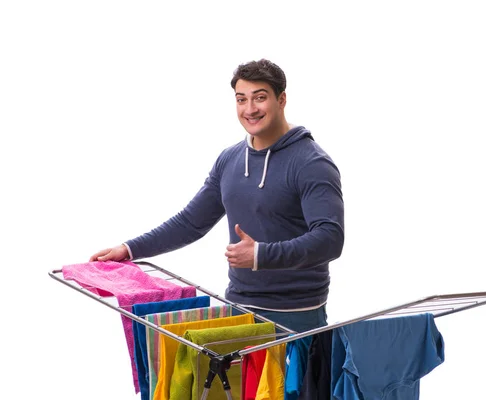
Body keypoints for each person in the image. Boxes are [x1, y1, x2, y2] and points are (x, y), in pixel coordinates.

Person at [90, 59, 344, 333]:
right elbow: (191, 222)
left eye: (260, 98)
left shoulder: (311, 163)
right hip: (237, 308)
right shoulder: (230, 159)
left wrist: (260, 254)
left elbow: (330, 239)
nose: (250, 109)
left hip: (297, 316)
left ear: (281, 100)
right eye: (241, 99)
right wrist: (129, 249)